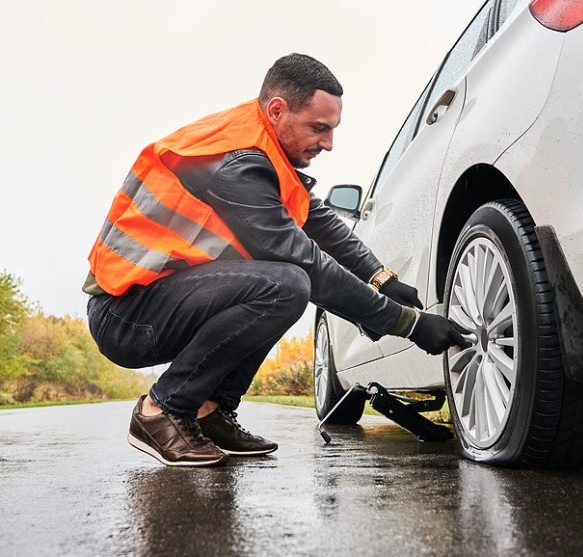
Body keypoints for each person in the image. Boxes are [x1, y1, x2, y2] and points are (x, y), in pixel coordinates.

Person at [84, 53, 470, 467]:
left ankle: (210, 412)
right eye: (318, 128)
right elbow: (304, 260)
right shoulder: (236, 162)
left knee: (282, 283)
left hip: (160, 300)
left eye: (332, 130)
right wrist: (406, 323)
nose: (328, 143)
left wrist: (380, 277)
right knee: (285, 285)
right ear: (277, 110)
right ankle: (162, 410)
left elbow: (318, 220)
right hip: (125, 315)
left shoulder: (263, 147)